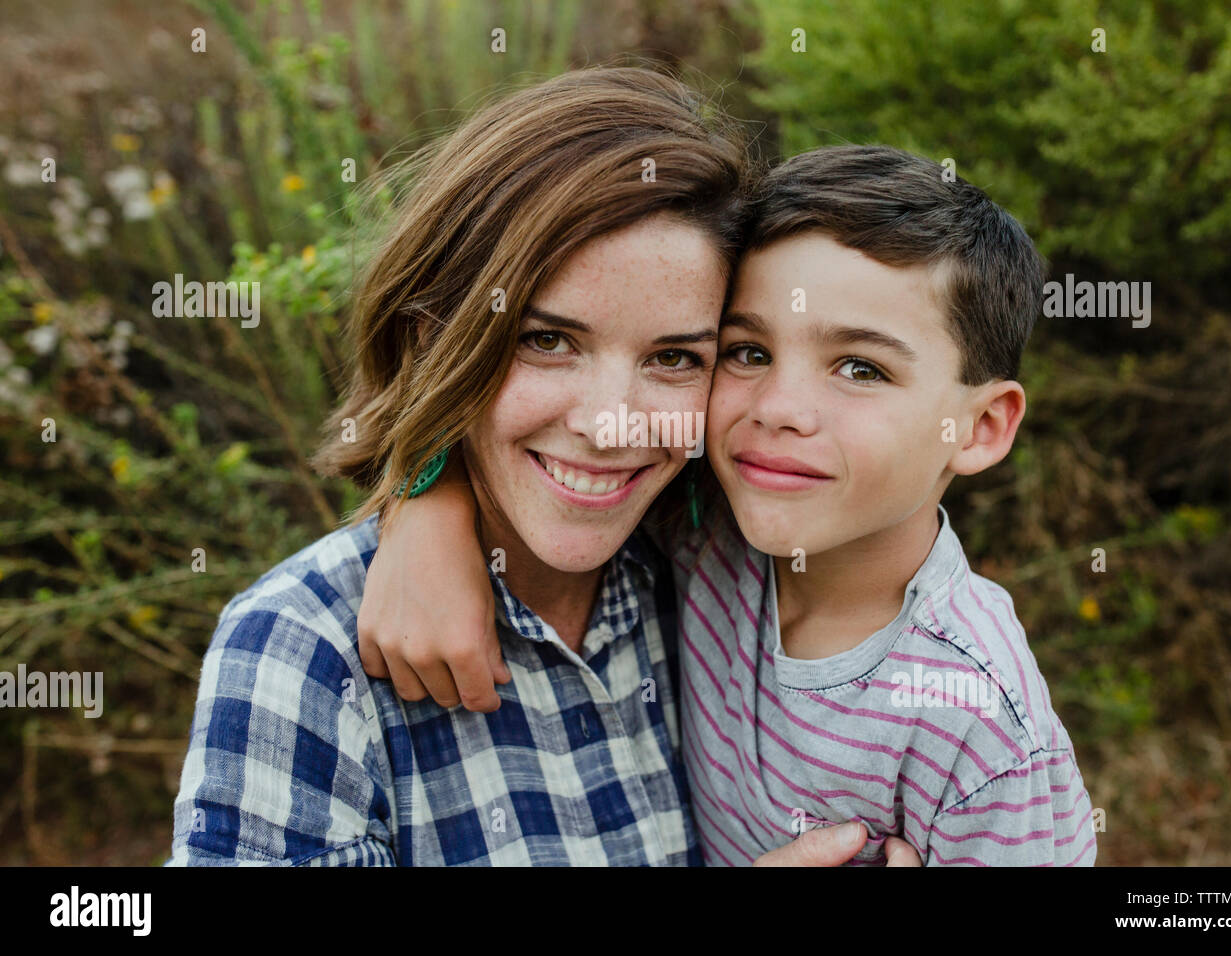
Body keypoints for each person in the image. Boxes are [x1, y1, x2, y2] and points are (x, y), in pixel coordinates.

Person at [167, 67, 918, 867]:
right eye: (547, 341)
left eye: (673, 357)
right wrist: (424, 488)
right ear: (436, 340)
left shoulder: (727, 580)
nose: (608, 424)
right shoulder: (303, 650)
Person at [359, 144, 1097, 865]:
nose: (779, 409)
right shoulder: (707, 520)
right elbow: (520, 425)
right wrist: (427, 504)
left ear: (982, 426)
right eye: (748, 353)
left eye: (860, 367)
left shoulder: (978, 726)